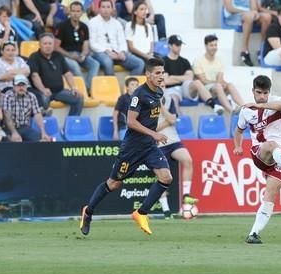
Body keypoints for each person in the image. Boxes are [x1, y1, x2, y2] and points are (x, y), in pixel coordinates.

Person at [79, 57, 173, 237]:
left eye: (162, 72)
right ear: (148, 75)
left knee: (166, 177)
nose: (161, 76)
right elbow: (131, 122)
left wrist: (153, 135)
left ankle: (141, 213)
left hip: (149, 147)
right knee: (114, 184)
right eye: (157, 73)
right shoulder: (139, 95)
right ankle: (88, 212)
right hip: (132, 148)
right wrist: (154, 133)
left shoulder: (158, 93)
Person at [233, 75, 281, 244]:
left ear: (269, 92)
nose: (262, 96)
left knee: (270, 195)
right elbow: (238, 131)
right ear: (253, 91)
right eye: (258, 93)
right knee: (271, 144)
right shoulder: (246, 111)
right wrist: (237, 146)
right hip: (260, 153)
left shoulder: (275, 102)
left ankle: (253, 233)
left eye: (265, 93)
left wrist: (259, 104)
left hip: (280, 157)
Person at [156, 85, 198, 218]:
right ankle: (166, 211)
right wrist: (167, 122)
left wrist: (162, 108)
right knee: (162, 177)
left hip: (173, 140)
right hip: (157, 144)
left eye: (163, 85)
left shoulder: (169, 100)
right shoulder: (146, 102)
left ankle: (186, 196)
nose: (161, 87)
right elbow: (149, 128)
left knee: (187, 160)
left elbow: (173, 120)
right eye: (159, 85)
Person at [163, 35, 224, 115]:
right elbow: (166, 81)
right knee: (174, 98)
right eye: (177, 45)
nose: (179, 47)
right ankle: (178, 119)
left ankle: (214, 105)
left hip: (185, 87)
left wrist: (173, 77)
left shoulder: (184, 61)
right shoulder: (163, 61)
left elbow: (190, 77)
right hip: (171, 89)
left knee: (197, 82)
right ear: (170, 46)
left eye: (180, 45)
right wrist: (182, 78)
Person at [28, 32, 83, 116]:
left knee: (78, 98)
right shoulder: (34, 57)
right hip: (42, 92)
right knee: (43, 100)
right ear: (40, 45)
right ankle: (45, 125)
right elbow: (34, 75)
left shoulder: (58, 56)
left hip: (59, 91)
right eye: (45, 43)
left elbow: (67, 73)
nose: (48, 46)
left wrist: (73, 88)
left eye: (50, 43)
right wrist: (43, 89)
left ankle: (70, 125)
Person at [89, 0, 145, 76]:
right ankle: (112, 86)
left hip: (117, 52)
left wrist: (122, 51)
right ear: (99, 9)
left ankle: (129, 86)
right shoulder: (92, 22)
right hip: (101, 52)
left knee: (139, 63)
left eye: (108, 7)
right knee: (108, 62)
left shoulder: (117, 23)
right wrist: (108, 52)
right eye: (103, 7)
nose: (106, 10)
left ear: (112, 9)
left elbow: (122, 42)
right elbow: (92, 44)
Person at [54, 0, 99, 93]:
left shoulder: (84, 27)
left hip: (79, 54)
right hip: (65, 55)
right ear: (69, 12)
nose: (75, 14)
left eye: (78, 11)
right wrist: (70, 55)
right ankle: (82, 90)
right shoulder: (61, 26)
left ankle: (87, 87)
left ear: (82, 12)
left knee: (95, 64)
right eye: (73, 11)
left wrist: (83, 55)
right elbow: (56, 47)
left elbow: (86, 45)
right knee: (75, 66)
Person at [194, 34, 245, 114]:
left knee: (229, 85)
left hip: (216, 87)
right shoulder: (198, 60)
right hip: (204, 90)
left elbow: (220, 78)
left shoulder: (219, 60)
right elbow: (203, 80)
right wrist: (218, 83)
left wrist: (223, 83)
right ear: (206, 46)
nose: (214, 47)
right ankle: (231, 110)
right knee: (218, 86)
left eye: (215, 45)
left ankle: (244, 107)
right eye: (211, 45)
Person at [1, 74, 50, 142]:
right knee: (13, 143)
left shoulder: (31, 96)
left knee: (42, 141)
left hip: (25, 127)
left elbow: (38, 115)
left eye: (23, 85)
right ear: (13, 86)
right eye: (18, 85)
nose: (21, 88)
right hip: (9, 128)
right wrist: (14, 133)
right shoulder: (8, 96)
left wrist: (43, 132)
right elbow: (7, 117)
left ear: (27, 86)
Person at [223, 0, 272, 67]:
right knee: (249, 16)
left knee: (267, 17)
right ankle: (244, 50)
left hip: (251, 15)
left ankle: (262, 48)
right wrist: (248, 12)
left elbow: (254, 9)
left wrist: (253, 12)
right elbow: (230, 8)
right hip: (234, 15)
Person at [112, 76, 139, 141]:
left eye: (137, 85)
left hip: (138, 130)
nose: (135, 87)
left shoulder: (140, 99)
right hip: (125, 129)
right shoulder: (122, 98)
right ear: (127, 87)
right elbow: (115, 114)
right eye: (132, 85)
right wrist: (115, 131)